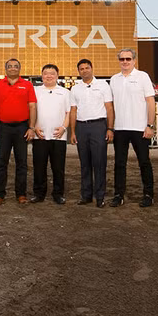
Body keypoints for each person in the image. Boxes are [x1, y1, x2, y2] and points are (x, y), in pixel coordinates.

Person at [109, 47, 156, 208]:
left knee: (144, 162)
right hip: (120, 128)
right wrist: (111, 127)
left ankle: (148, 195)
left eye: (128, 59)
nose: (125, 62)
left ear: (134, 60)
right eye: (122, 59)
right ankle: (118, 195)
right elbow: (111, 105)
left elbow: (150, 102)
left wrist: (150, 125)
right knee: (119, 164)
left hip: (140, 128)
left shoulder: (143, 76)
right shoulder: (114, 79)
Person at [0, 58, 37, 206]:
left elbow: (32, 107)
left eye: (15, 66)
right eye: (10, 66)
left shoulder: (27, 85)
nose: (12, 68)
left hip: (22, 128)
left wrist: (31, 127)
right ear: (6, 69)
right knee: (1, 162)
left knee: (22, 162)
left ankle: (21, 194)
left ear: (19, 69)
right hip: (3, 128)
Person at [70, 58, 114, 208]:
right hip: (81, 127)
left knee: (99, 162)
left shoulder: (103, 85)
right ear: (79, 71)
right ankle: (86, 195)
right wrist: (73, 132)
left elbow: (109, 108)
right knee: (84, 163)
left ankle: (100, 197)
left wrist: (110, 128)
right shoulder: (75, 89)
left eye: (86, 68)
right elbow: (73, 110)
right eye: (81, 69)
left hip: (98, 126)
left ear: (91, 68)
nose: (84, 71)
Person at [31, 64, 71, 205]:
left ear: (57, 75)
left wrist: (63, 128)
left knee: (58, 168)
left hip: (58, 136)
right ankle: (39, 194)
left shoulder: (65, 92)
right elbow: (30, 110)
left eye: (52, 73)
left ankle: (58, 194)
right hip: (39, 135)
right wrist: (34, 127)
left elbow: (69, 112)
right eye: (46, 73)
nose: (49, 76)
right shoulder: (35, 91)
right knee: (39, 167)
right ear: (42, 75)